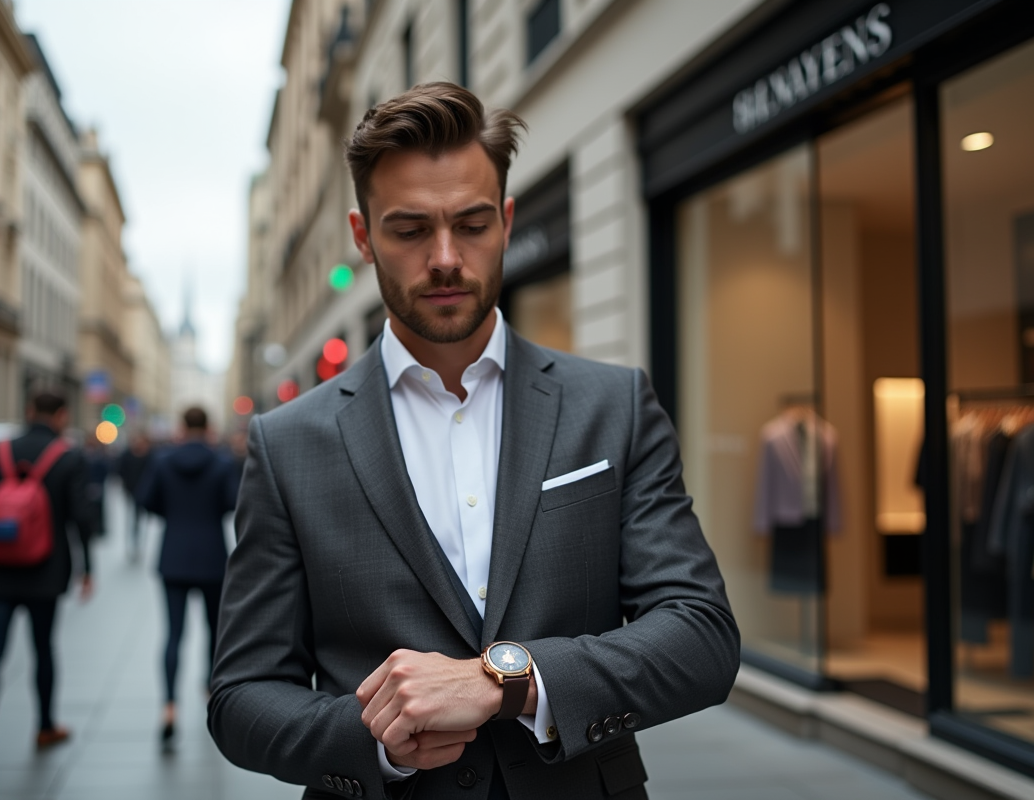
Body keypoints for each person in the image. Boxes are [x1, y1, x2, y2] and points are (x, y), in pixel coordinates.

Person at [208, 83, 739, 799]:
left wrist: (503, 680)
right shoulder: (287, 443)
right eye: (410, 229)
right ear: (362, 237)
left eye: (472, 223)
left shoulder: (613, 405)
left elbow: (700, 635)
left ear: (508, 221)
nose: (447, 257)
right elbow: (242, 696)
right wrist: (379, 738)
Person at [0, 390, 95, 774]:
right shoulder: (67, 456)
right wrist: (88, 569)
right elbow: (81, 518)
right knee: (43, 648)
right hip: (45, 571)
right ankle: (44, 726)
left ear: (28, 410)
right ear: (61, 416)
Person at [137, 407, 238, 745]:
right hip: (211, 556)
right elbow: (232, 502)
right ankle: (211, 694)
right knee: (214, 631)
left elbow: (147, 501)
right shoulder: (221, 462)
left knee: (173, 634)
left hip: (174, 555)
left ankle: (168, 705)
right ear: (207, 428)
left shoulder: (164, 461)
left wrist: (175, 513)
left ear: (182, 427)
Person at [115, 432, 153, 562]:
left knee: (142, 520)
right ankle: (133, 546)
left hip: (145, 493)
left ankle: (140, 545)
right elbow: (120, 471)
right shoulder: (127, 455)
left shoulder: (150, 456)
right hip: (131, 491)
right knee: (132, 520)